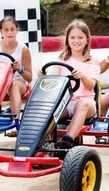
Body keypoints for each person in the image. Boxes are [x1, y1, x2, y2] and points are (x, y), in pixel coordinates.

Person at [40, 19, 100, 149]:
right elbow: (54, 81)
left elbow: (91, 86)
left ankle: (67, 141)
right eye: (72, 37)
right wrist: (44, 76)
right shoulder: (62, 59)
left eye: (80, 37)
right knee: (48, 109)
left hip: (86, 104)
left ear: (87, 39)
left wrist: (82, 76)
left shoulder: (92, 61)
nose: (76, 41)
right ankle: (43, 142)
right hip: (66, 103)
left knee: (82, 103)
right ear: (67, 39)